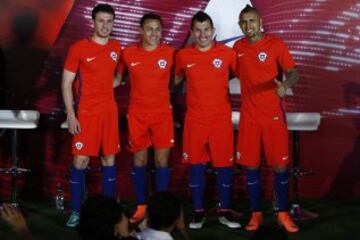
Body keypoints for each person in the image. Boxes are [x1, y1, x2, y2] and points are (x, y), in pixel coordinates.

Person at [233, 5, 299, 233]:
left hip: (273, 117)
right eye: (243, 22)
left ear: (260, 22)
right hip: (249, 118)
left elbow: (293, 72)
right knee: (251, 166)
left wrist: (285, 86)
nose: (248, 26)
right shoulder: (237, 47)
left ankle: (282, 214)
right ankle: (256, 214)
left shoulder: (276, 45)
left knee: (280, 166)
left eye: (252, 21)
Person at [174, 11, 240, 229]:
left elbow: (245, 76)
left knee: (224, 167)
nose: (203, 34)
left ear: (213, 31)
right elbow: (175, 80)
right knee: (196, 167)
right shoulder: (183, 56)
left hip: (220, 119)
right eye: (198, 30)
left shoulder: (227, 54)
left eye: (207, 30)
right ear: (192, 32)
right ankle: (199, 212)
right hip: (195, 120)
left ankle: (224, 211)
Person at [61, 3, 122, 227]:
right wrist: (71, 115)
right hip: (86, 113)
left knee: (109, 159)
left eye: (109, 21)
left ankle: (107, 213)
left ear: (113, 23)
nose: (105, 25)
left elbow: (117, 77)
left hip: (110, 112)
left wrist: (107, 86)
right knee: (80, 160)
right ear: (93, 22)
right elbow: (66, 83)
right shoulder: (79, 48)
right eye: (101, 21)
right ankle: (77, 211)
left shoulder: (117, 47)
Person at [121, 13, 175, 223]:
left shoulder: (170, 53)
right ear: (141, 31)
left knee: (162, 160)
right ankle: (142, 206)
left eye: (158, 29)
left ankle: (160, 207)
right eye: (150, 29)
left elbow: (179, 77)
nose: (154, 33)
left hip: (162, 114)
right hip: (137, 114)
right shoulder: (128, 53)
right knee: (140, 159)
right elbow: (116, 77)